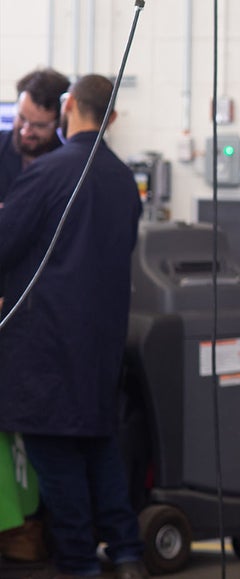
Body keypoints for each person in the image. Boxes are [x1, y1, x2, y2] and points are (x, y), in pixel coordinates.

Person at [0, 74, 146, 579]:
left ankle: (80, 562)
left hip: (44, 346)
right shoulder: (124, 180)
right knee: (98, 445)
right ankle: (126, 552)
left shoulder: (49, 173)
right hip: (100, 345)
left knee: (55, 457)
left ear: (68, 109)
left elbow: (5, 244)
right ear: (112, 116)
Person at [0, 68, 71, 200]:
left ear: (59, 122)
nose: (25, 131)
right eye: (21, 118)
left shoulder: (66, 166)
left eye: (39, 125)